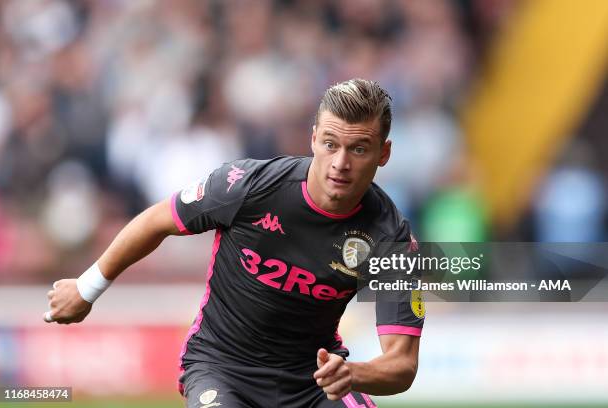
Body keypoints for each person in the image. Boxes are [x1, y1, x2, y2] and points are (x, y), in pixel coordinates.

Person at [44, 78, 424, 408]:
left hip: (313, 380)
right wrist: (87, 287)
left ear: (383, 154)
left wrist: (354, 373)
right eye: (330, 144)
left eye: (358, 149)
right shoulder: (247, 186)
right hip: (222, 367)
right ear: (313, 139)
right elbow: (158, 220)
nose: (340, 162)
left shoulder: (393, 239)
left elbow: (402, 365)